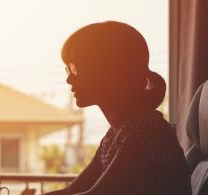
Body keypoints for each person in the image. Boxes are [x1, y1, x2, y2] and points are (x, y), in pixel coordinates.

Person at [45, 21, 191, 195]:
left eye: (78, 67)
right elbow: (71, 191)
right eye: (69, 69)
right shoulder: (115, 135)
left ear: (114, 69)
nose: (69, 79)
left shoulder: (147, 130)